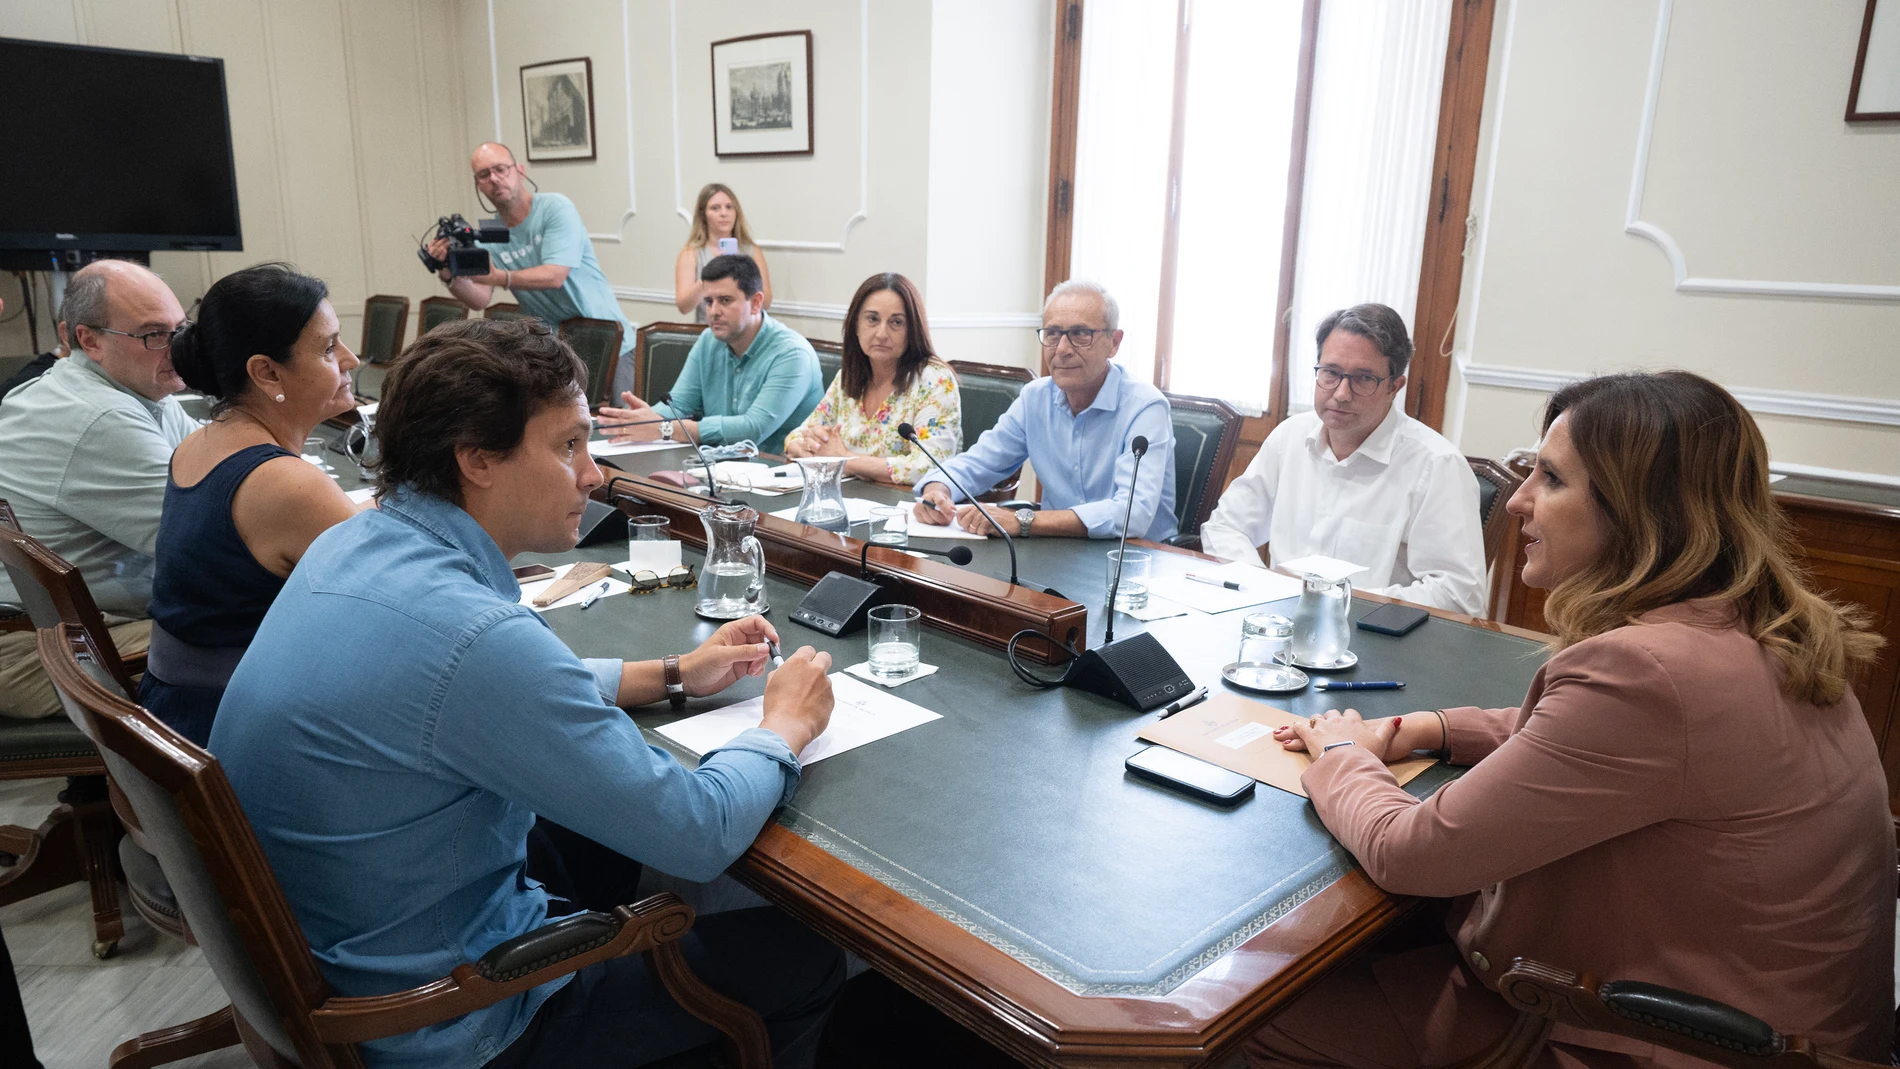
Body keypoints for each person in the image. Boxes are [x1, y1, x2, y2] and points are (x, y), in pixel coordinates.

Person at [210, 319, 844, 1068]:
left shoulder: (353, 542)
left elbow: (481, 692)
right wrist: (784, 724)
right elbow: (698, 831)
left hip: (347, 965)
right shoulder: (473, 636)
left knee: (582, 844)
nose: (593, 473)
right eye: (569, 445)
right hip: (449, 1023)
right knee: (802, 956)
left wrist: (674, 671)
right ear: (477, 459)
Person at [1249, 371, 1893, 1066]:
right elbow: (1593, 742)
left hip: (1666, 1039)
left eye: (1552, 479)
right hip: (1800, 1022)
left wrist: (1342, 753)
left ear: (1642, 511)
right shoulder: (1764, 626)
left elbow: (1410, 853)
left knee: (1251, 1012)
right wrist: (1433, 727)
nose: (1517, 499)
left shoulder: (1647, 673)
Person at [140, 263, 365, 746]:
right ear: (267, 372)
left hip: (175, 715)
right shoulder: (286, 485)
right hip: (234, 733)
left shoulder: (202, 441)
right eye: (329, 348)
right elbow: (404, 602)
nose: (352, 358)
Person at [0, 260, 196, 719]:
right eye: (154, 334)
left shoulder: (138, 390)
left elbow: (227, 478)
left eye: (181, 330)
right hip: (35, 649)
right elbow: (212, 540)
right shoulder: (98, 416)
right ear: (89, 341)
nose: (176, 348)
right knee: (267, 638)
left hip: (71, 629)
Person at [1200, 303, 1486, 615]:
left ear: (1394, 387)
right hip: (1277, 620)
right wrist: (1263, 588)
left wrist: (1338, 605)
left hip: (1374, 633)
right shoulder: (1290, 437)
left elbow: (1460, 597)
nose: (1341, 393)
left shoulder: (1437, 465)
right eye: (1331, 373)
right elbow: (1225, 527)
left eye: (1363, 379)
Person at [911, 279, 1175, 542]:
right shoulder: (1035, 397)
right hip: (1058, 548)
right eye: (1052, 334)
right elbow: (979, 463)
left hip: (1138, 555)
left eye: (1080, 334)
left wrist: (1023, 520)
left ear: (1114, 342)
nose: (1062, 349)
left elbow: (1133, 513)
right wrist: (938, 490)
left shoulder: (1145, 407)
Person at [428, 142, 638, 397]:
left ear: (520, 171)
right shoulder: (490, 235)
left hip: (607, 339)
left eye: (500, 169)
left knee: (620, 420)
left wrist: (500, 277)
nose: (494, 179)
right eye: (484, 174)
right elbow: (479, 298)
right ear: (478, 185)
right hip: (555, 350)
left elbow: (555, 275)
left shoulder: (555, 208)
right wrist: (447, 272)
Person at [598, 254, 821, 455]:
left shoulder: (793, 354)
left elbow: (752, 430)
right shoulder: (709, 340)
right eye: (708, 302)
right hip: (719, 465)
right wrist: (639, 419)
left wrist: (664, 428)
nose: (713, 311)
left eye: (725, 300)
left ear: (755, 303)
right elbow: (679, 405)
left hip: (779, 472)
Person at [784, 272, 961, 484]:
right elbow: (798, 436)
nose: (881, 333)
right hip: (848, 495)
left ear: (912, 331)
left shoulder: (935, 380)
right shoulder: (849, 375)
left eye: (896, 322)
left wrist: (843, 459)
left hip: (902, 502)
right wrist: (807, 447)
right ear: (856, 325)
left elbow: (929, 466)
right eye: (872, 319)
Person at [674, 183, 773, 323]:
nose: (724, 213)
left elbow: (766, 302)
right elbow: (683, 306)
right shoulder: (691, 253)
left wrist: (744, 272)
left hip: (747, 330)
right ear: (703, 215)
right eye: (715, 208)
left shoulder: (751, 251)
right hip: (709, 330)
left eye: (729, 207)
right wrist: (710, 275)